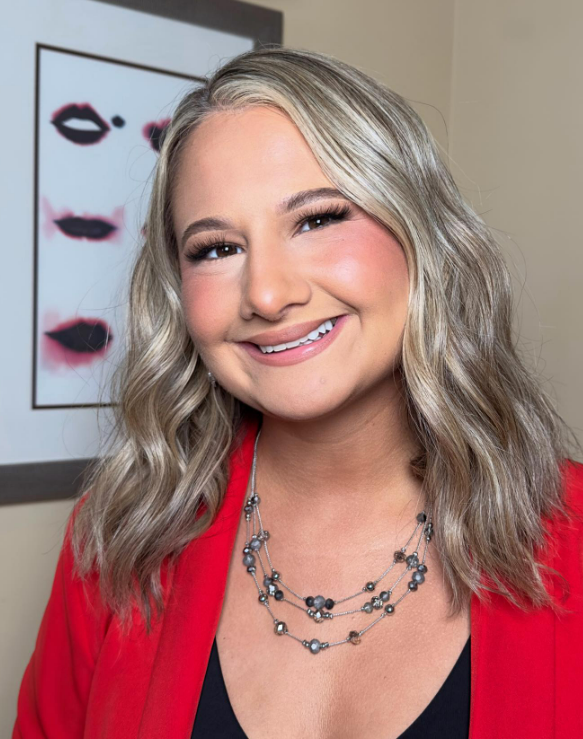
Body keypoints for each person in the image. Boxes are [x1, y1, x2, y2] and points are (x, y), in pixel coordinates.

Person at [13, 46, 583, 739]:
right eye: (216, 248)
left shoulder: (570, 531)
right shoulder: (118, 539)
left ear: (421, 234)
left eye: (316, 219)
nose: (267, 293)